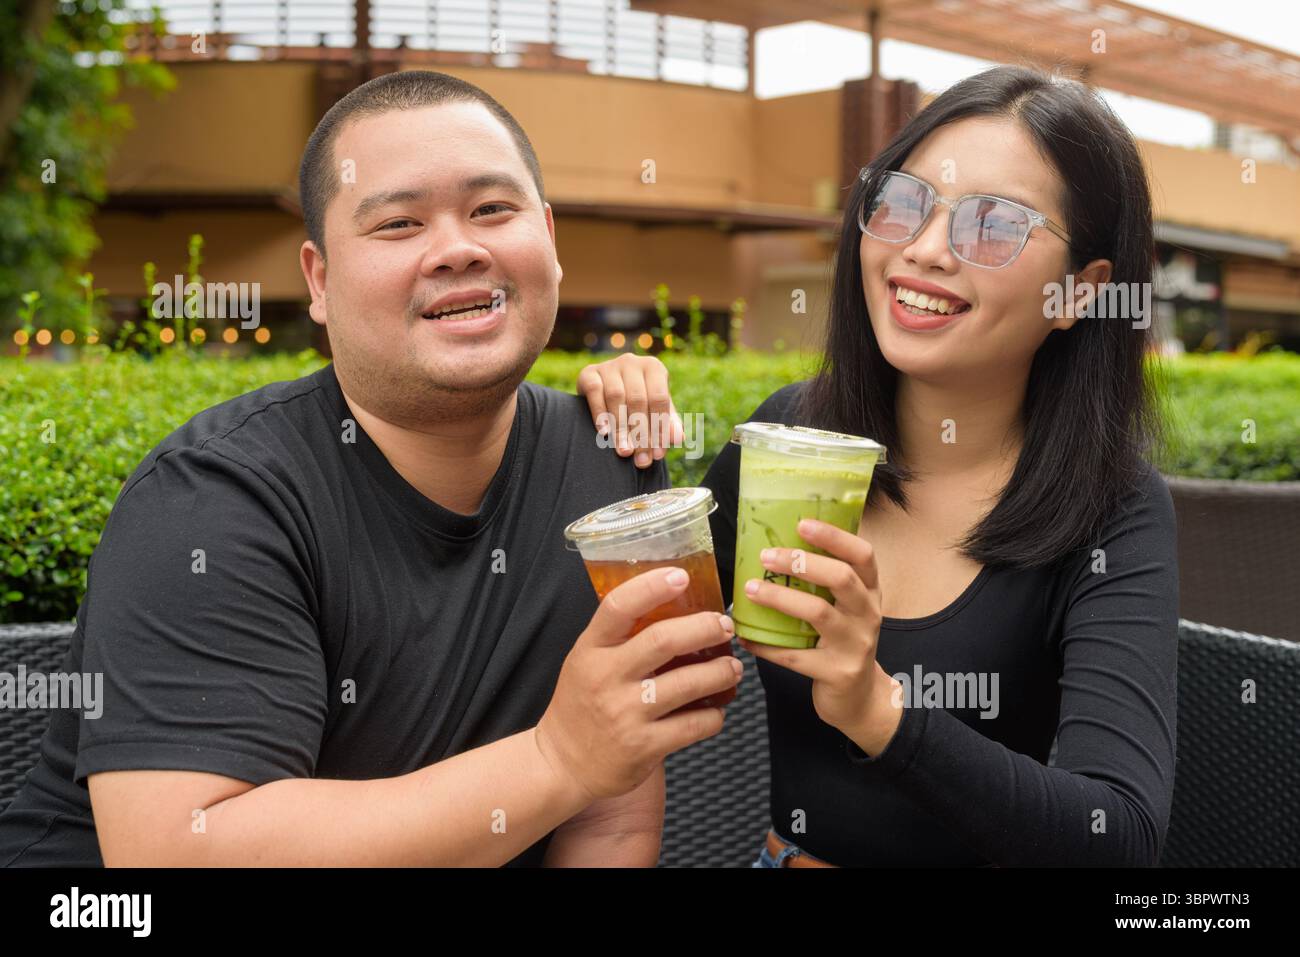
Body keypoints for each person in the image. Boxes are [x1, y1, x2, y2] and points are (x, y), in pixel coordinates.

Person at [0, 70, 743, 868]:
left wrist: (583, 766)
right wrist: (556, 759)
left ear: (550, 240)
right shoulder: (213, 501)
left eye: (493, 208)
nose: (458, 247)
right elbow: (176, 852)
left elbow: (610, 821)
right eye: (398, 222)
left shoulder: (614, 467)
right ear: (318, 280)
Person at [578, 65, 1179, 867]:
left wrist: (878, 710)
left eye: (993, 225)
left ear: (1080, 291)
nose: (924, 251)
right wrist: (623, 438)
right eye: (904, 203)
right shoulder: (789, 437)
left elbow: (1121, 834)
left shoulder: (1113, 506)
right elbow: (650, 639)